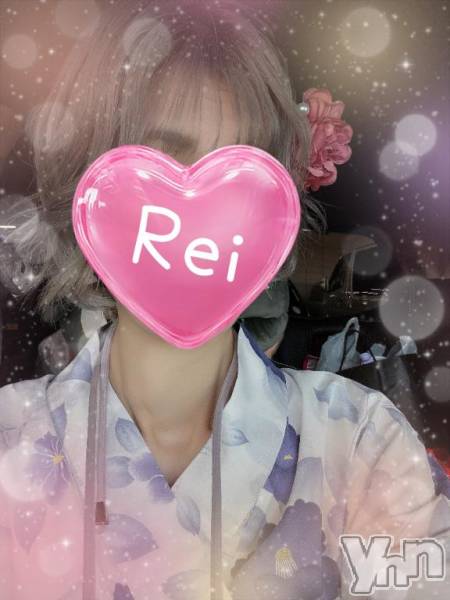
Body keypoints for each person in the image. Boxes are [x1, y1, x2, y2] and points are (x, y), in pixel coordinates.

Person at [0, 2, 449, 600]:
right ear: (90, 186)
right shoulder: (11, 443)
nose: (206, 209)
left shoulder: (363, 443)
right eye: (166, 158)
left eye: (242, 171)